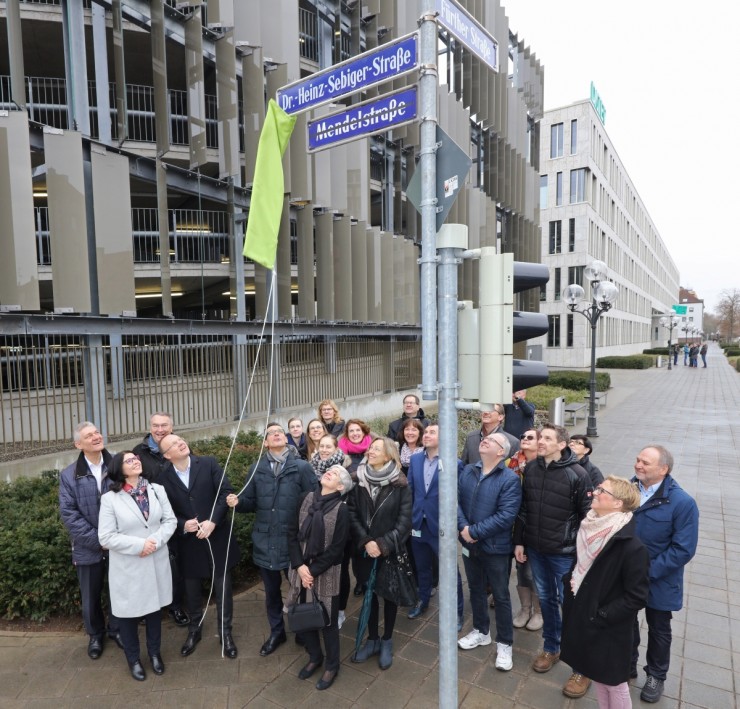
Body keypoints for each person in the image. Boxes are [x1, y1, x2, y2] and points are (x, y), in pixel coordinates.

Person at [513, 423, 593, 699]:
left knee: (571, 607)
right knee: (546, 601)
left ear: (562, 444)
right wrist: (520, 541)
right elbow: (524, 509)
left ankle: (582, 667)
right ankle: (551, 648)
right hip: (536, 549)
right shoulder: (533, 468)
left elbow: (587, 518)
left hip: (564, 554)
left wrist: (582, 555)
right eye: (539, 437)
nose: (540, 441)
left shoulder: (578, 475)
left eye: (547, 438)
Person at [226, 423, 317, 656]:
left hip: (294, 541)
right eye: (270, 433)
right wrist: (238, 503)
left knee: (299, 589)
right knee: (272, 592)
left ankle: (303, 631)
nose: (276, 434)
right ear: (265, 442)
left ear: (285, 439)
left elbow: (314, 503)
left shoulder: (302, 467)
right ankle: (277, 631)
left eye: (279, 432)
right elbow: (250, 503)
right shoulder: (256, 468)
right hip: (265, 541)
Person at [560, 477, 650, 708]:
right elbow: (580, 565)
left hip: (608, 627)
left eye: (603, 491)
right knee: (598, 676)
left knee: (614, 683)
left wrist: (602, 615)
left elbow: (636, 596)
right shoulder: (588, 527)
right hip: (585, 614)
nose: (595, 492)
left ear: (618, 503)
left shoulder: (631, 546)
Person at [158, 434, 241, 659]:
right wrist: (184, 524)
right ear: (167, 455)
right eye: (173, 444)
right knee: (192, 591)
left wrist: (213, 521)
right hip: (188, 543)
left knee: (223, 588)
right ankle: (195, 630)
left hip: (217, 537)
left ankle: (226, 634)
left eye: (180, 439)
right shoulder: (162, 478)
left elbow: (225, 492)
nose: (180, 443)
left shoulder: (208, 463)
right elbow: (163, 513)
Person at [98, 451, 177, 681]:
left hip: (155, 559)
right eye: (129, 460)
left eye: (136, 458)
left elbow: (170, 520)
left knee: (154, 612)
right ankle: (133, 660)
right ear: (119, 469)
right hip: (129, 566)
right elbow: (106, 537)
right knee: (128, 616)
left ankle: (154, 654)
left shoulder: (156, 490)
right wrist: (140, 545)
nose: (136, 461)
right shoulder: (110, 499)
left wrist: (155, 542)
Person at [630, 445, 699, 703]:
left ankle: (656, 675)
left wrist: (646, 571)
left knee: (659, 629)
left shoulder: (682, 503)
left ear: (663, 469)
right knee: (626, 621)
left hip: (659, 579)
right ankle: (627, 663)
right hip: (626, 575)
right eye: (638, 460)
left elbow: (683, 549)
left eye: (645, 463)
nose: (638, 465)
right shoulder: (628, 490)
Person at [457, 432, 521, 672]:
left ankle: (504, 643)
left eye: (493, 441)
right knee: (474, 588)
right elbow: (456, 502)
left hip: (495, 548)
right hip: (469, 543)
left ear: (501, 452)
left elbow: (506, 516)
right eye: (486, 439)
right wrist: (464, 528)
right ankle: (480, 631)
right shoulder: (469, 471)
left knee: (501, 596)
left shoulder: (509, 479)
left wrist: (474, 531)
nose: (485, 440)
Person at [286, 465, 353, 691]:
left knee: (327, 622)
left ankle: (332, 665)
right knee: (304, 620)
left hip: (325, 575)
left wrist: (312, 571)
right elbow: (292, 533)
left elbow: (337, 550)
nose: (329, 473)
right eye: (329, 471)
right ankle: (315, 657)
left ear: (341, 486)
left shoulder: (342, 510)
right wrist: (300, 566)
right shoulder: (305, 498)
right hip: (300, 570)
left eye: (335, 474)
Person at [58, 421, 122, 660]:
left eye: (97, 432)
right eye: (89, 435)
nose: (96, 437)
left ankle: (118, 630)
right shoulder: (68, 474)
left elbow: (131, 499)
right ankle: (96, 635)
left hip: (118, 543)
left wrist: (114, 539)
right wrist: (98, 540)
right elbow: (69, 515)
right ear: (78, 444)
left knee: (118, 590)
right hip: (87, 547)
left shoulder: (118, 464)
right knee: (90, 596)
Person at [348, 436, 412, 671]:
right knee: (369, 595)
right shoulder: (358, 480)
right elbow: (352, 514)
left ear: (388, 455)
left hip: (389, 550)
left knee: (389, 595)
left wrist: (382, 544)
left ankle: (387, 640)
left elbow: (404, 522)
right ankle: (372, 638)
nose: (370, 451)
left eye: (376, 448)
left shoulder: (400, 483)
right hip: (364, 550)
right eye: (370, 448)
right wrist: (366, 542)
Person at [132, 412, 189, 627]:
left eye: (164, 425)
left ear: (172, 427)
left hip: (178, 516)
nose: (159, 429)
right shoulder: (139, 452)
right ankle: (150, 609)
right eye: (155, 425)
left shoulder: (179, 445)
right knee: (151, 566)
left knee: (175, 566)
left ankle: (175, 606)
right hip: (152, 518)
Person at [406, 423, 465, 631]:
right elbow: (410, 492)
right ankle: (422, 600)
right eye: (427, 432)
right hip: (417, 524)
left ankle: (457, 613)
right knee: (422, 568)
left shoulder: (454, 463)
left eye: (432, 432)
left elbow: (458, 497)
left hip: (440, 526)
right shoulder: (415, 459)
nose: (426, 435)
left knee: (450, 572)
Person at [507, 429, 543, 632]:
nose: (524, 440)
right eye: (523, 437)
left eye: (530, 437)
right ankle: (525, 609)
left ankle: (539, 611)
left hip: (533, 524)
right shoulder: (511, 463)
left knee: (533, 572)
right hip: (513, 523)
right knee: (521, 569)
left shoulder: (542, 466)